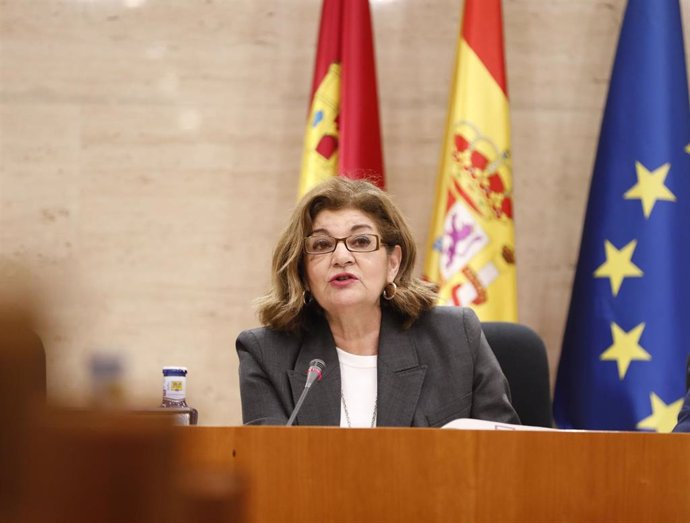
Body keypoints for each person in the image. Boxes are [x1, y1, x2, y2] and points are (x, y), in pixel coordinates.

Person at [236, 177, 519, 427]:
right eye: (322, 245)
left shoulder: (456, 338)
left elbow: (506, 458)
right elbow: (270, 470)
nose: (342, 257)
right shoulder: (266, 354)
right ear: (302, 272)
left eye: (360, 242)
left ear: (392, 264)